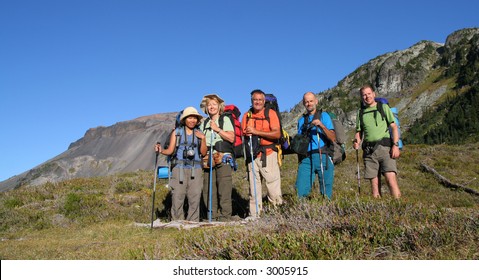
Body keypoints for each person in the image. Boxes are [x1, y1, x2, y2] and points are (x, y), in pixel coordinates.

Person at [155, 107, 207, 221]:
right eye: (190, 118)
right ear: (184, 119)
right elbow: (170, 150)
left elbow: (203, 153)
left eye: (194, 118)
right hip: (179, 168)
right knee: (177, 195)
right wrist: (161, 151)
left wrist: (203, 139)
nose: (192, 120)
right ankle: (177, 221)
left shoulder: (200, 134)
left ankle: (192, 222)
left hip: (196, 168)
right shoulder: (176, 133)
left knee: (195, 196)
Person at [353, 85, 401, 198]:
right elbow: (359, 131)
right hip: (369, 151)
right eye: (364, 95)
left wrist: (395, 145)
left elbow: (394, 127)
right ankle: (377, 210)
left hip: (385, 149)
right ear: (361, 97)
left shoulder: (383, 107)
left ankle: (399, 208)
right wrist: (357, 141)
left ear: (374, 94)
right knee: (374, 186)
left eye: (369, 94)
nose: (367, 96)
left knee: (390, 180)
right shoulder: (360, 113)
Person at [241, 89, 283, 218]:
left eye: (260, 100)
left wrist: (256, 131)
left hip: (269, 153)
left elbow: (277, 133)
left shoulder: (271, 113)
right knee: (253, 189)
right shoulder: (246, 116)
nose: (257, 102)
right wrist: (247, 133)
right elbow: (243, 133)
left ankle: (277, 216)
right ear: (251, 101)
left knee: (273, 188)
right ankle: (255, 215)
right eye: (255, 100)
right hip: (252, 156)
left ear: (264, 101)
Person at [199, 94, 238, 221]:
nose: (211, 107)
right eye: (209, 104)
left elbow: (231, 138)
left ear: (219, 106)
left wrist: (217, 129)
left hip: (223, 156)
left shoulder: (224, 120)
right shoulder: (203, 123)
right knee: (208, 188)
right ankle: (212, 215)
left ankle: (225, 216)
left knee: (224, 187)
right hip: (207, 158)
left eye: (214, 104)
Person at [295, 92, 336, 199]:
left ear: (316, 101)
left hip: (323, 155)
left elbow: (332, 137)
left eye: (311, 101)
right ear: (304, 104)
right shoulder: (301, 121)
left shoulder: (324, 116)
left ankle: (327, 211)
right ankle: (302, 212)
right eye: (306, 102)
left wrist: (321, 126)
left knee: (326, 191)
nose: (309, 104)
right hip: (306, 158)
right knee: (301, 189)